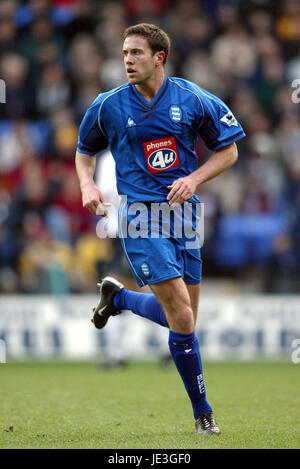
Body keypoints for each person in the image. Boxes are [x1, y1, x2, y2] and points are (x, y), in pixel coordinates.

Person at [75, 23, 245, 435]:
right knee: (182, 314)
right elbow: (84, 151)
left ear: (158, 57)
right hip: (138, 216)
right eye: (125, 53)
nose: (127, 60)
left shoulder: (193, 99)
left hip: (184, 214)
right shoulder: (107, 105)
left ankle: (118, 300)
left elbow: (230, 150)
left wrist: (194, 178)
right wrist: (88, 183)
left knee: (184, 320)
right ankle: (203, 414)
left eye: (135, 53)